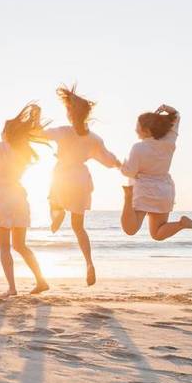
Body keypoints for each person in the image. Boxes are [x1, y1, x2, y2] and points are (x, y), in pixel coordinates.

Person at [44, 84, 120, 286]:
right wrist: (119, 163)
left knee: (54, 203)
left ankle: (57, 212)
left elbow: (39, 134)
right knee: (78, 227)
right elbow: (108, 160)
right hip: (81, 179)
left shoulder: (62, 131)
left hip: (62, 177)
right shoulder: (94, 139)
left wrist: (31, 122)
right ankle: (88, 263)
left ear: (70, 113)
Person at [0, 102, 50, 295]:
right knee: (20, 245)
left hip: (1, 198)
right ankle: (41, 280)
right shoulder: (23, 152)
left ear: (7, 133)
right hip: (18, 196)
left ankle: (12, 288)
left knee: (4, 247)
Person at [119, 104, 192, 239]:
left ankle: (127, 197)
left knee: (131, 229)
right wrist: (167, 108)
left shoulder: (138, 147)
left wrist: (121, 166)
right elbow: (176, 116)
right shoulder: (169, 141)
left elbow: (129, 172)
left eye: (138, 126)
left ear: (146, 130)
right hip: (164, 191)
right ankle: (181, 224)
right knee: (157, 234)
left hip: (144, 189)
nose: (135, 129)